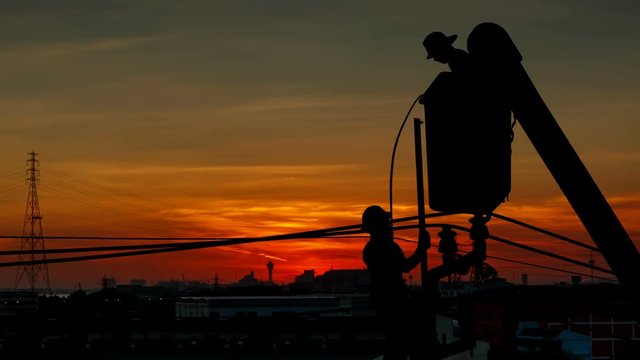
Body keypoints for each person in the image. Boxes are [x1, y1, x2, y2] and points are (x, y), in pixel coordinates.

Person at [361, 205, 430, 359]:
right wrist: (421, 249)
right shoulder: (381, 248)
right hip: (391, 300)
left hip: (387, 300)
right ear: (378, 226)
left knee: (397, 340)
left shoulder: (376, 247)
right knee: (399, 340)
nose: (389, 225)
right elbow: (405, 267)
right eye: (386, 222)